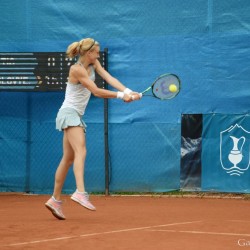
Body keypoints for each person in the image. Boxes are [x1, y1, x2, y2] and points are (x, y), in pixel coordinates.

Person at [45, 38, 141, 220]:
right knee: (81, 151)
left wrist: (128, 91)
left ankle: (55, 200)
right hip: (69, 112)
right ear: (88, 53)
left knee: (68, 158)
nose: (98, 55)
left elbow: (108, 77)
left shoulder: (94, 63)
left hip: (73, 114)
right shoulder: (77, 69)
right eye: (96, 52)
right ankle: (80, 192)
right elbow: (96, 91)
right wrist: (121, 96)